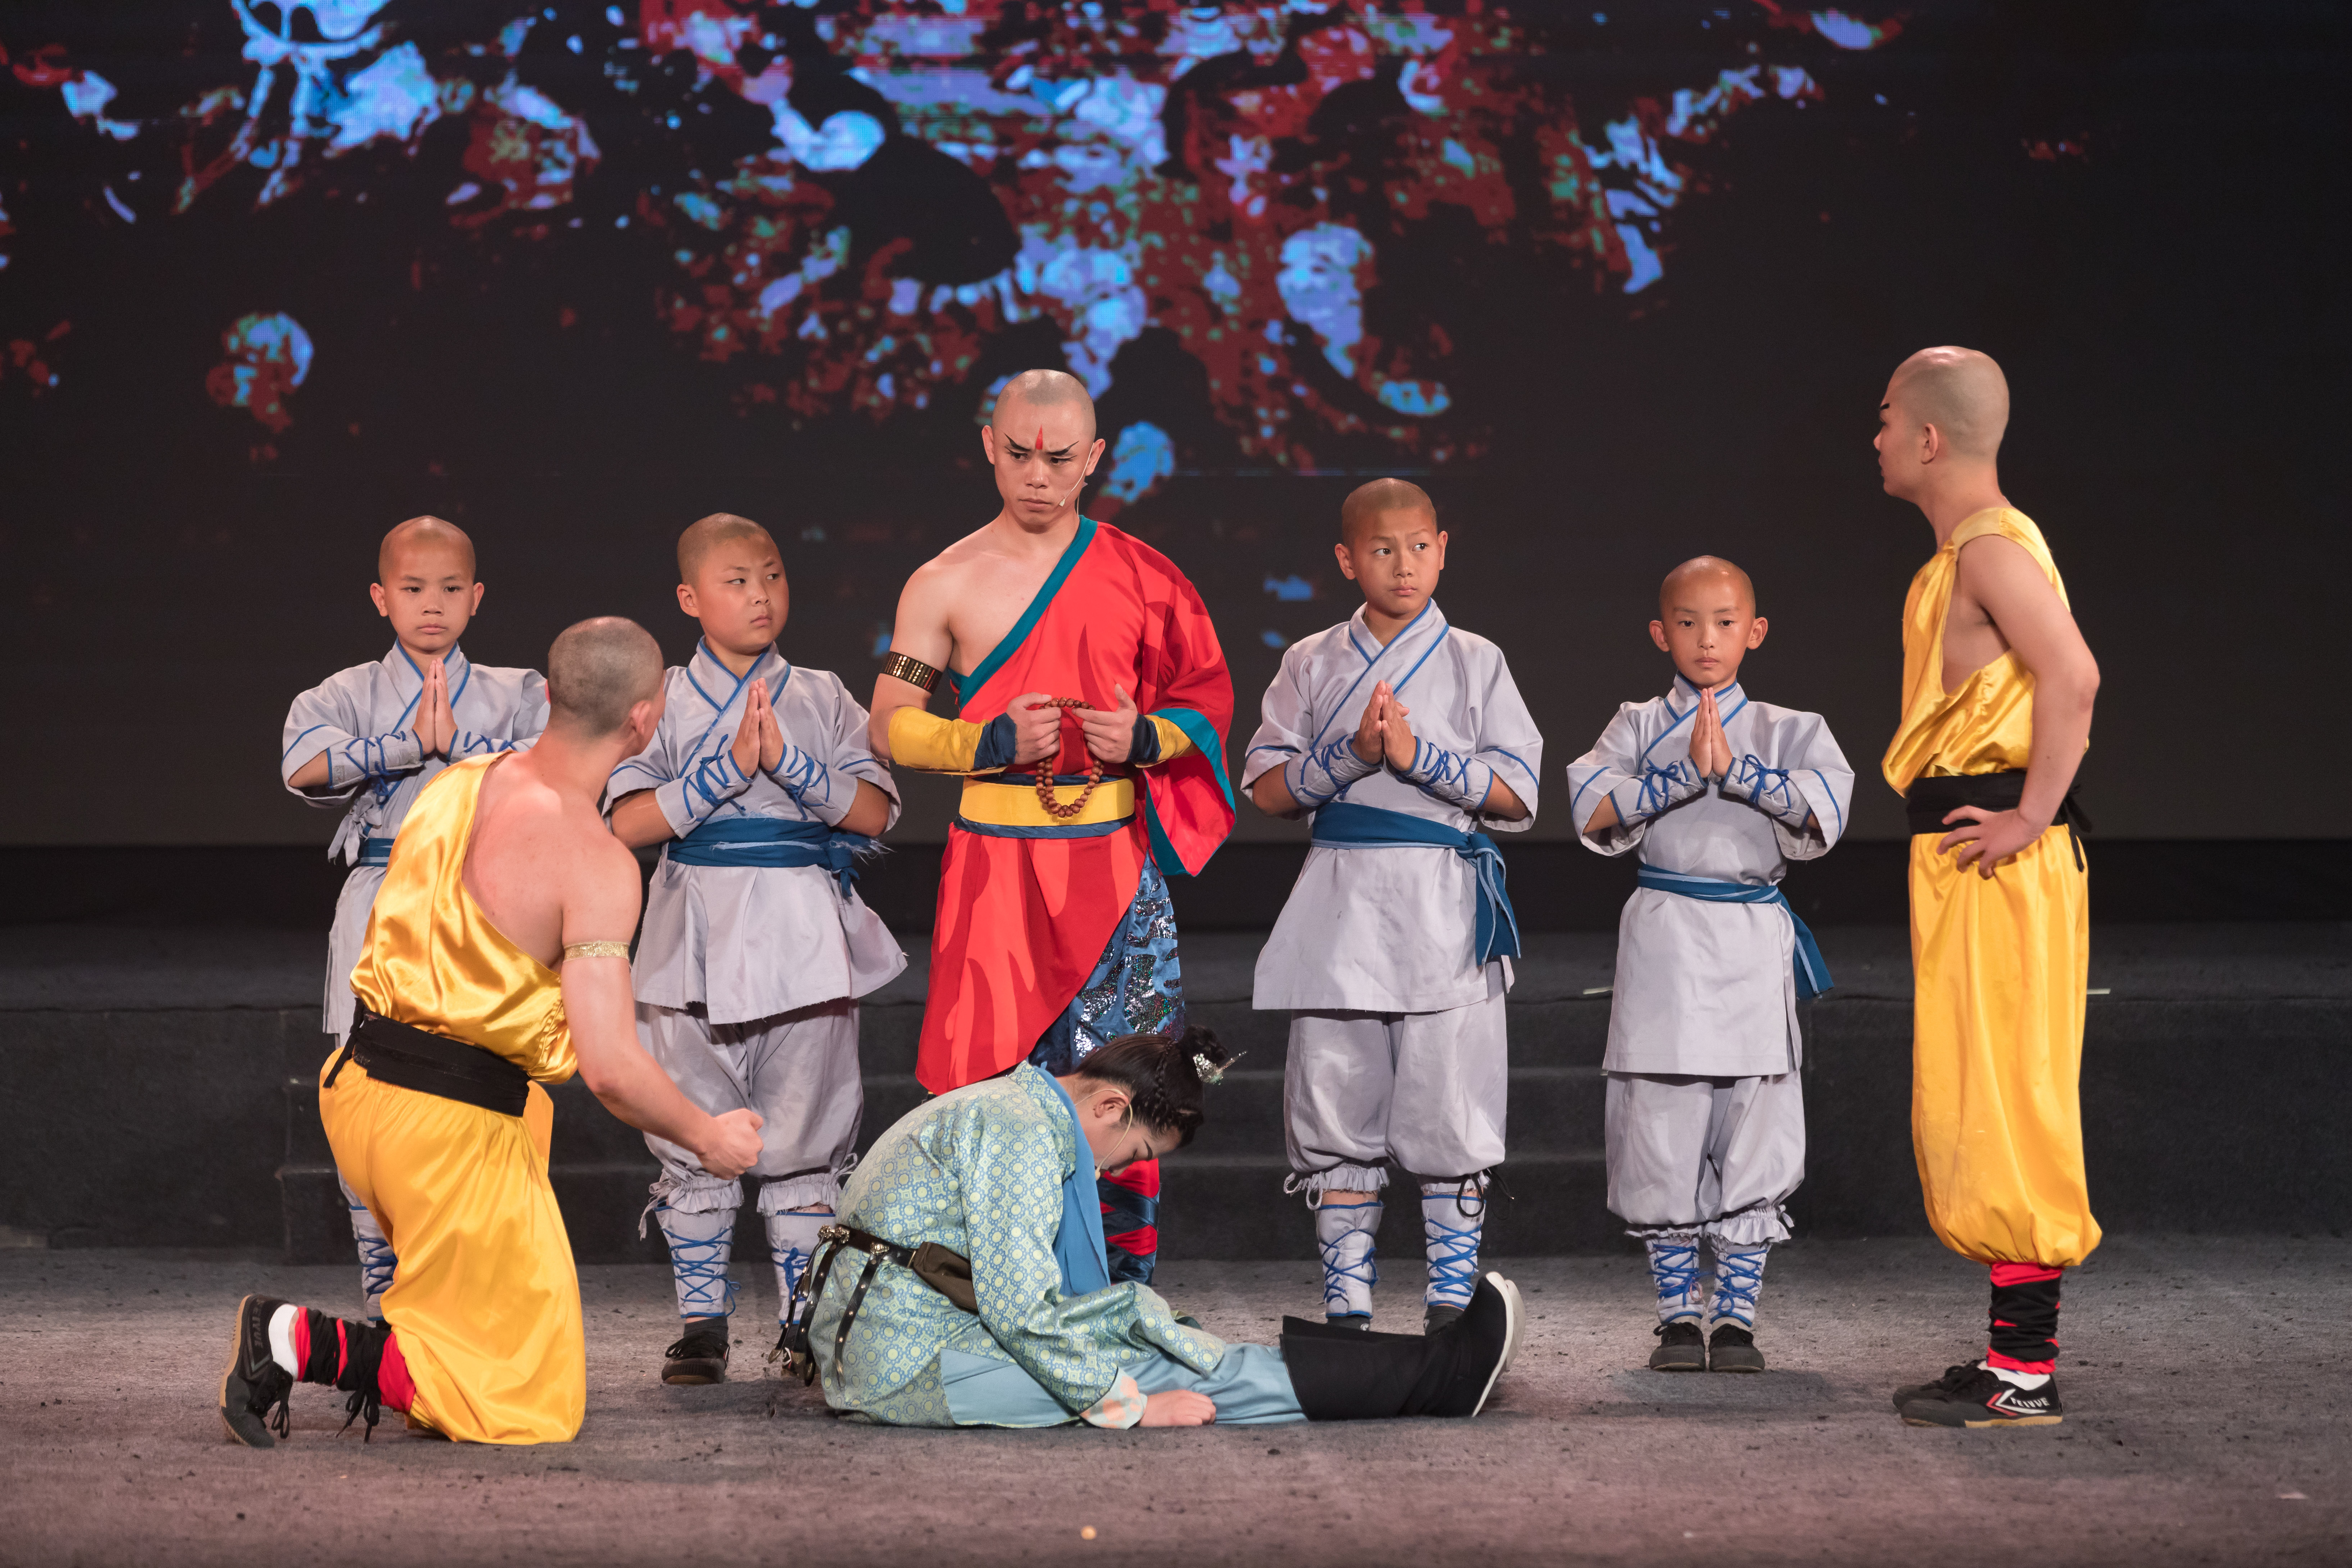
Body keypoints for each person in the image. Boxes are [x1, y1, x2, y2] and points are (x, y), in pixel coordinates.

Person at [220, 618, 767, 1448]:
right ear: (645, 720)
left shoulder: (457, 783)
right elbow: (612, 1067)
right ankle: (288, 1338)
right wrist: (708, 1135)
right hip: (449, 1137)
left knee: (499, 1342)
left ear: (546, 696)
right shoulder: (597, 864)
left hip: (359, 1092)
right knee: (524, 1398)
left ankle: (394, 1336)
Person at [867, 368, 1235, 1284]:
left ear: (1094, 459)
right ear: (989, 446)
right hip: (996, 873)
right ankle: (1001, 1292)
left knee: (1134, 1088)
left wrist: (1147, 735)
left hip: (1112, 870)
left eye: (1060, 457)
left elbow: (1206, 701)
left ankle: (1123, 1295)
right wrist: (981, 739)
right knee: (991, 1088)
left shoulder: (1147, 577)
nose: (1038, 474)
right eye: (1020, 453)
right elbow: (889, 723)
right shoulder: (942, 580)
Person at [794, 1027, 1525, 1427]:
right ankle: (1441, 1377)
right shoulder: (1017, 1130)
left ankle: (1423, 1364)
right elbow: (1021, 1310)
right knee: (1168, 1369)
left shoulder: (1014, 1109)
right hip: (908, 1365)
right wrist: (1128, 1404)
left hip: (903, 1337)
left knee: (1160, 1336)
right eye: (1139, 1152)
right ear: (1112, 1106)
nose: (1121, 1169)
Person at [607, 513, 904, 1386]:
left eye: (771, 575)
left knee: (805, 1137)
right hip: (687, 933)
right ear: (690, 598)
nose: (761, 594)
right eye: (737, 580)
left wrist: (794, 768)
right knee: (691, 1124)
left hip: (804, 931)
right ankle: (702, 1321)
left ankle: (801, 1322)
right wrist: (720, 776)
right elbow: (623, 820)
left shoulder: (821, 692)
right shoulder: (654, 697)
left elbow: (879, 813)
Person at [1239, 478, 1542, 1333]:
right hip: (1339, 901)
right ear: (1346, 559)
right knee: (1336, 1102)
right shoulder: (1309, 659)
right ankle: (1347, 1300)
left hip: (1443, 904)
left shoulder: (1477, 659)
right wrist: (1351, 755)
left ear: (1443, 547)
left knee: (1450, 1101)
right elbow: (1265, 787)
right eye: (1381, 549)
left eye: (1417, 546)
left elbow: (1516, 793)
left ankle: (1452, 1299)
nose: (1403, 565)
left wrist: (1419, 760)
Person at [1875, 346, 2100, 1429]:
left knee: (2009, 1098)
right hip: (1966, 866)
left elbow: (2075, 674)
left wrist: (2032, 815)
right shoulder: (1966, 552)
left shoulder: (1993, 551)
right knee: (1978, 1097)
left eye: (1884, 420)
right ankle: (2012, 1358)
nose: (1873, 439)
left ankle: (2025, 1374)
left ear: (1928, 437)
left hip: (2001, 864)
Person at [1564, 557, 1853, 1374]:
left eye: (1725, 621)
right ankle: (1673, 1314)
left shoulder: (1792, 728)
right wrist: (1680, 773)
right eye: (1687, 622)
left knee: (1753, 1115)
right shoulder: (1630, 723)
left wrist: (1736, 770)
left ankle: (1734, 1314)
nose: (1706, 638)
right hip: (1664, 934)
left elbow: (1822, 814)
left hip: (1750, 934)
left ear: (1754, 632)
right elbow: (1590, 806)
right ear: (1660, 633)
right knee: (1661, 1115)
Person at [279, 516, 548, 1322]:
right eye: (411, 588)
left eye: (450, 588)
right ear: (380, 596)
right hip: (383, 895)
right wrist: (399, 746)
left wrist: (464, 748)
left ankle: (463, 1301)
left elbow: (557, 780)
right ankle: (385, 1308)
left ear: (477, 597)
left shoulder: (521, 690)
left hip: (482, 901)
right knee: (372, 1093)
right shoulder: (342, 692)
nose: (431, 605)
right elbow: (302, 767)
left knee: (478, 1095)